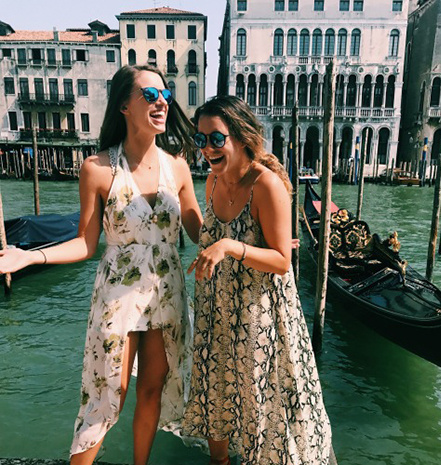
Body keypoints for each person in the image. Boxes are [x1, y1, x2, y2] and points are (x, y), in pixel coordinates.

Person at [0, 64, 203, 465]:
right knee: (109, 392)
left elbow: (200, 230)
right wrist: (30, 256)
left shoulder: (177, 167)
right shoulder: (97, 168)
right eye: (149, 95)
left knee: (152, 390)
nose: (161, 102)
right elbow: (85, 243)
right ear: (124, 106)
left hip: (168, 290)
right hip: (119, 293)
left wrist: (254, 234)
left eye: (165, 95)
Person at [182, 95, 332, 465]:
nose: (207, 149)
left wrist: (230, 246)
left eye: (216, 139)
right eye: (200, 140)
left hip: (259, 317)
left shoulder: (266, 185)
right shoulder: (212, 184)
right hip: (217, 312)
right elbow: (212, 233)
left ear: (241, 136)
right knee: (215, 394)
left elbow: (282, 261)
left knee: (259, 408)